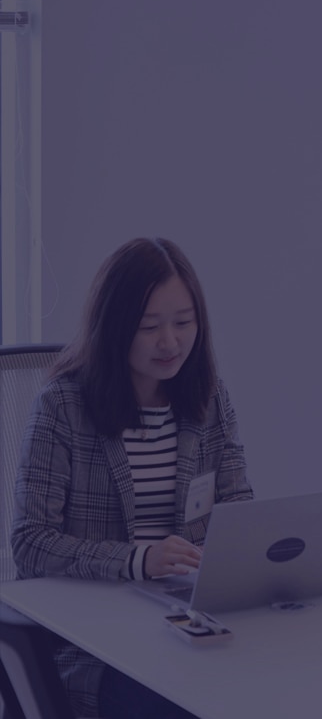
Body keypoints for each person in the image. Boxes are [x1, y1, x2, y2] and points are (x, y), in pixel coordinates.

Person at [12, 237, 254, 719]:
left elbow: (237, 507)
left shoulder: (209, 399)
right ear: (114, 328)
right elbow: (29, 542)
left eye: (184, 323)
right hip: (94, 644)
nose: (170, 342)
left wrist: (252, 557)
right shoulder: (62, 406)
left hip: (191, 625)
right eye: (149, 327)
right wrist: (139, 559)